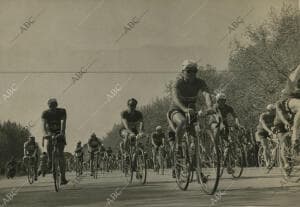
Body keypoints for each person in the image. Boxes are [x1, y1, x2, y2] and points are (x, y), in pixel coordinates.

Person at [167, 59, 213, 157]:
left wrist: (209, 107)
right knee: (182, 122)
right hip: (177, 109)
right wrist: (184, 109)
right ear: (182, 72)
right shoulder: (177, 83)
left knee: (196, 134)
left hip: (191, 110)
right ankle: (178, 146)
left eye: (194, 71)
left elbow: (206, 94)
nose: (192, 74)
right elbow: (175, 99)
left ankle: (196, 166)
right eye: (188, 71)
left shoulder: (200, 82)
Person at [42, 98, 68, 185]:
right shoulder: (45, 113)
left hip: (59, 132)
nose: (52, 108)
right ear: (48, 107)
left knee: (61, 153)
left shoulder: (62, 111)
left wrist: (63, 133)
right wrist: (45, 134)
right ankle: (50, 160)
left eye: (54, 106)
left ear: (56, 105)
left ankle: (63, 177)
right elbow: (44, 126)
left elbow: (64, 123)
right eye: (51, 106)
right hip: (50, 132)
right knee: (49, 144)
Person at [255, 104, 276, 169]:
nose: (275, 111)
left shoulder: (274, 116)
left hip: (269, 131)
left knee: (275, 144)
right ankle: (267, 162)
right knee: (265, 147)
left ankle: (274, 157)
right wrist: (269, 131)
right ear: (269, 110)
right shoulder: (263, 115)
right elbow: (264, 125)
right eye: (273, 110)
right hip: (262, 131)